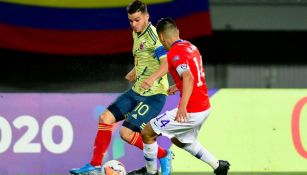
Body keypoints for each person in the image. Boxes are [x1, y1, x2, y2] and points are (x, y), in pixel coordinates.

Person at [69, 1, 172, 175]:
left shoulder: (155, 36)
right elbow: (146, 58)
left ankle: (164, 154)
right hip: (137, 91)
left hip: (154, 95)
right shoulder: (136, 32)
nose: (134, 24)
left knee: (125, 133)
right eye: (131, 21)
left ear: (147, 17)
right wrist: (135, 71)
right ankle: (94, 165)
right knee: (105, 118)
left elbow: (166, 63)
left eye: (137, 20)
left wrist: (152, 78)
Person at [140, 17, 230, 175]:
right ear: (178, 32)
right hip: (204, 107)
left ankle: (151, 172)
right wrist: (178, 86)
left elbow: (188, 77)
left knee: (147, 132)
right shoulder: (190, 46)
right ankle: (218, 165)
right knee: (179, 140)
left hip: (191, 109)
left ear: (161, 37)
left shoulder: (175, 52)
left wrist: (182, 107)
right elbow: (196, 74)